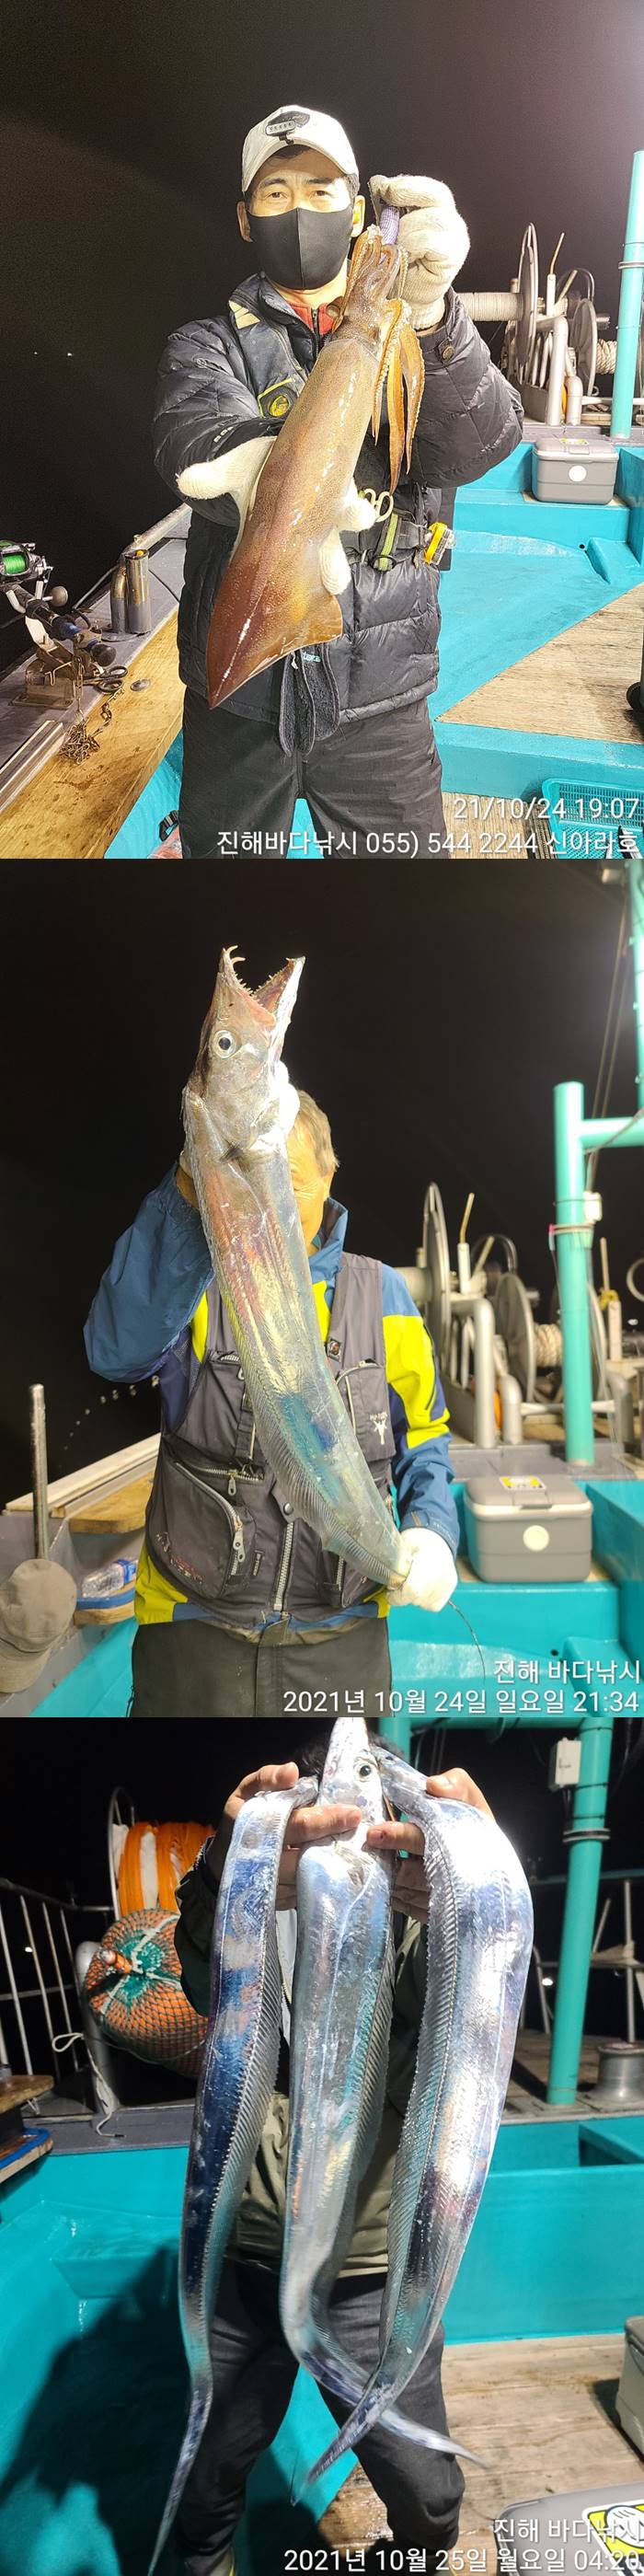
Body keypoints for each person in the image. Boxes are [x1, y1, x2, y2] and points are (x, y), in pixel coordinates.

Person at [153, 102, 523, 861]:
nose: (299, 209)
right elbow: (191, 431)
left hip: (380, 702)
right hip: (242, 697)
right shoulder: (207, 344)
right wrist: (254, 467)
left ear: (357, 212)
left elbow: (475, 445)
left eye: (321, 190)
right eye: (276, 191)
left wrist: (431, 317)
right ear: (245, 217)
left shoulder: (408, 329)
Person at [171, 1739, 495, 2576]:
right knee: (210, 2472)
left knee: (427, 2492)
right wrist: (226, 1866)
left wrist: (477, 1887)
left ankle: (414, 2558)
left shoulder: (416, 1908)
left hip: (372, 2272)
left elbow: (468, 1994)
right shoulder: (255, 1891)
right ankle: (205, 2556)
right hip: (247, 2256)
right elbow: (204, 1970)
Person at [84, 1089, 459, 1719]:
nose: (273, 1206)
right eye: (256, 1184)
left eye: (291, 1183)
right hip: (195, 1629)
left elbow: (423, 1436)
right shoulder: (196, 1284)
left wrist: (434, 1529)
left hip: (343, 1635)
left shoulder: (384, 1295)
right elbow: (114, 1351)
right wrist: (189, 1181)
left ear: (329, 1178)